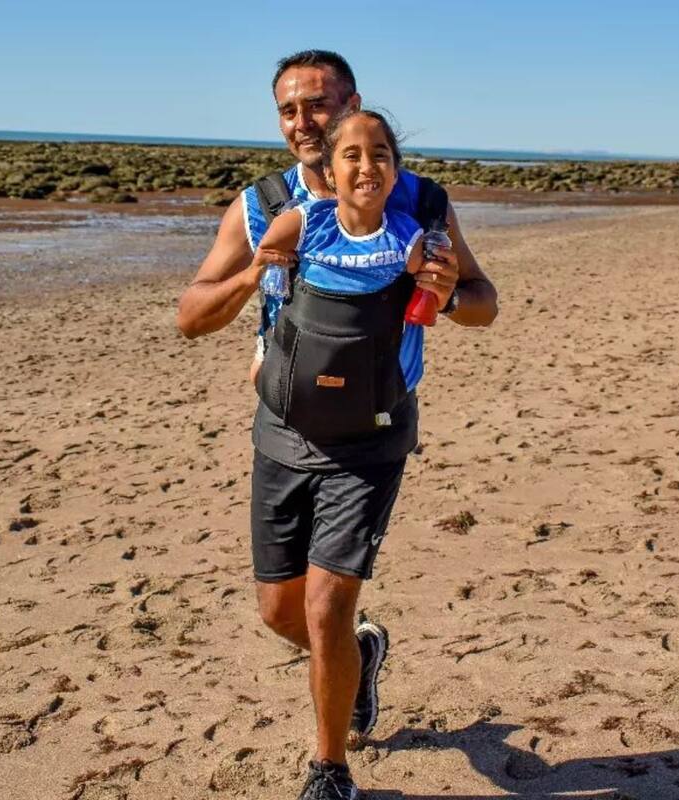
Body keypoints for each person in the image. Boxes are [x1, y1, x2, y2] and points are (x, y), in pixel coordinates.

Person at [176, 50, 498, 800]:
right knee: (281, 611)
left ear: (353, 103)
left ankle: (331, 771)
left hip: (374, 437)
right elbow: (191, 317)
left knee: (325, 606)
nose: (302, 123)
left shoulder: (417, 203)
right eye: (288, 110)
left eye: (317, 105)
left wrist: (450, 294)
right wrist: (256, 271)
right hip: (283, 430)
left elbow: (486, 303)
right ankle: (358, 655)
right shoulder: (262, 205)